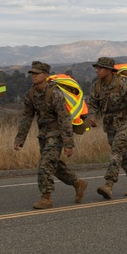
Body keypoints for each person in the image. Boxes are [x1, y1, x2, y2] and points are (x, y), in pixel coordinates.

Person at [14, 61, 87, 209]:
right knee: (55, 166)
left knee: (45, 165)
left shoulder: (54, 93)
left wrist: (68, 143)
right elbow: (27, 117)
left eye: (37, 73)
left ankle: (46, 197)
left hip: (57, 133)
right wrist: (20, 138)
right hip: (43, 134)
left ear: (46, 75)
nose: (33, 76)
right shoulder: (32, 93)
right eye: (32, 73)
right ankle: (78, 183)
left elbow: (64, 118)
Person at [87, 57, 127, 199]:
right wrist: (93, 116)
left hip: (126, 122)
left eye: (100, 68)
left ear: (109, 70)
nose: (97, 70)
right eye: (96, 68)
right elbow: (93, 104)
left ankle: (109, 184)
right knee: (124, 155)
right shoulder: (96, 86)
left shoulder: (122, 84)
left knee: (117, 150)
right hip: (110, 125)